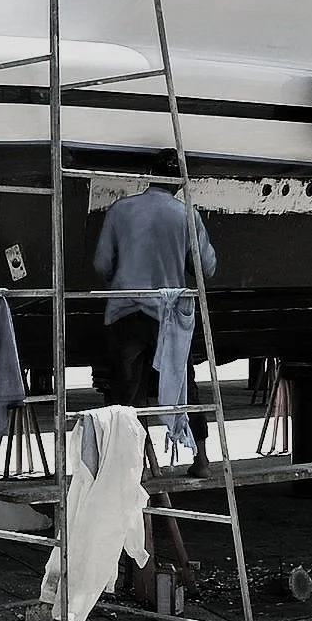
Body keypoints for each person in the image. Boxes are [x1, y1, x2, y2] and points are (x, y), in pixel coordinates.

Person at [91, 181, 216, 472]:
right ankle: (201, 459)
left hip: (125, 312)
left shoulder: (120, 210)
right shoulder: (187, 214)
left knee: (127, 393)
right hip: (168, 314)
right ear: (178, 183)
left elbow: (101, 264)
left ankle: (140, 467)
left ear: (149, 178)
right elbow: (206, 268)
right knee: (183, 383)